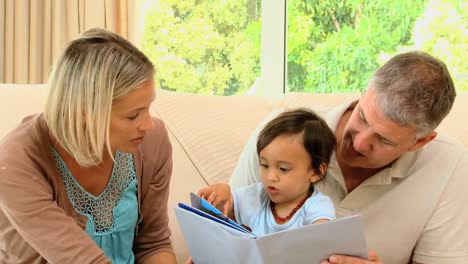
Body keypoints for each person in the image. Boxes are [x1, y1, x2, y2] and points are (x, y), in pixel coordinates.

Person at [229, 51, 468, 264]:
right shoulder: (282, 135)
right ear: (364, 93)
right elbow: (225, 229)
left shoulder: (450, 165)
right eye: (362, 117)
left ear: (420, 142)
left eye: (384, 140)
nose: (359, 142)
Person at [0, 28, 177, 263]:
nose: (148, 125)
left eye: (147, 107)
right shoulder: (15, 161)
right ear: (84, 113)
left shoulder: (152, 142)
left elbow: (153, 244)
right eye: (133, 115)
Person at [198, 108, 337, 236]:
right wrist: (222, 191)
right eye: (264, 165)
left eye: (283, 169)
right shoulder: (257, 196)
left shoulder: (317, 206)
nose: (270, 177)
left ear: (316, 172)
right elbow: (226, 207)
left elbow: (322, 238)